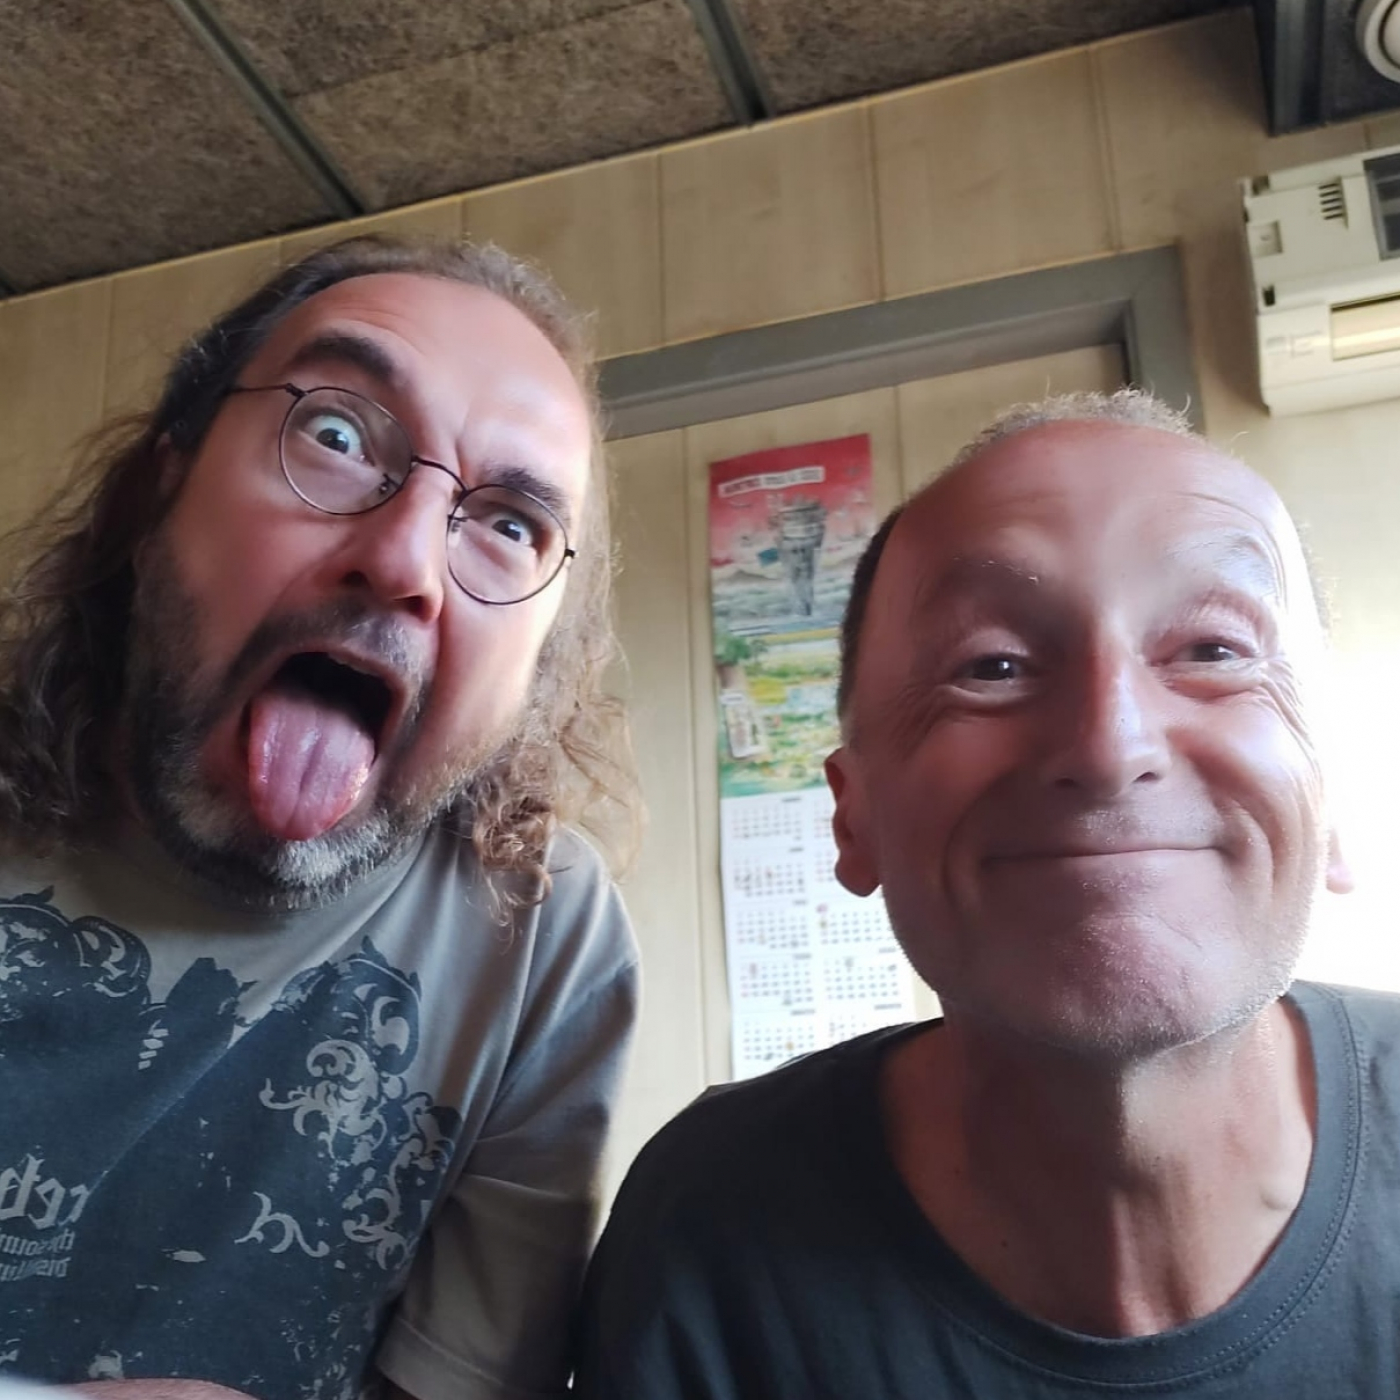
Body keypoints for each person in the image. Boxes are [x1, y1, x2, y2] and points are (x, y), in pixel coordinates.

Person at [574, 389, 1400, 1399]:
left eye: (1212, 651)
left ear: (1334, 787)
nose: (1110, 746)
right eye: (992, 665)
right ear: (853, 815)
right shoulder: (709, 1229)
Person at [0, 237, 640, 1400]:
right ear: (161, 488)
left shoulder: (540, 934)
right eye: (336, 434)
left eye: (509, 524)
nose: (405, 561)